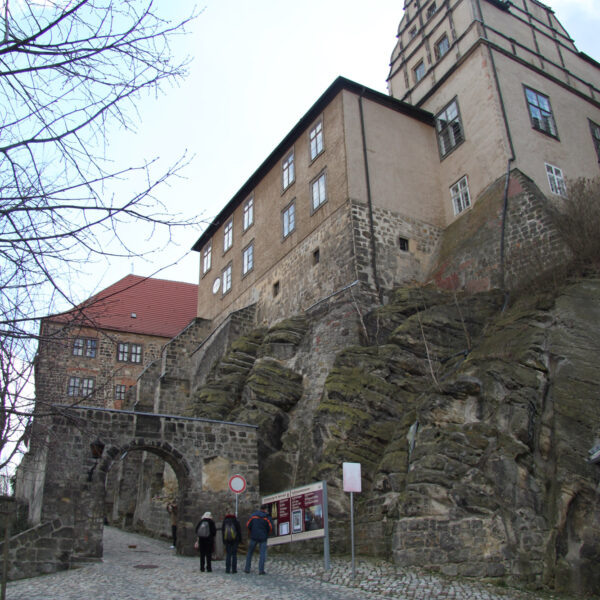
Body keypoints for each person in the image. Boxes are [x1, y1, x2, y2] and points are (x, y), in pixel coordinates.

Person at [244, 504, 273, 575]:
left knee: (250, 553)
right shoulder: (267, 518)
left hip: (253, 536)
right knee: (262, 554)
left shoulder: (253, 516)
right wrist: (267, 534)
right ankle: (261, 570)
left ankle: (247, 568)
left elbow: (248, 525)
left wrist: (250, 532)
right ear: (265, 509)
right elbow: (270, 528)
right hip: (263, 537)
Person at [221, 510, 242, 574]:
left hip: (227, 540)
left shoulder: (225, 521)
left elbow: (223, 531)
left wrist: (224, 541)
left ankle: (227, 569)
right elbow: (239, 531)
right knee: (234, 554)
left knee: (228, 554)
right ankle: (234, 569)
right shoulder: (236, 521)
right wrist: (239, 540)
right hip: (235, 540)